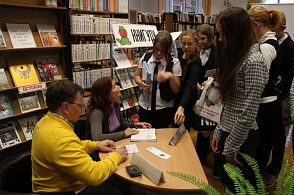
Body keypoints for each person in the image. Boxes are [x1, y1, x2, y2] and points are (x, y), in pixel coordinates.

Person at [31, 80, 128, 194]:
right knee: (121, 188)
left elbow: (73, 146)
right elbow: (94, 175)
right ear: (65, 107)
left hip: (57, 185)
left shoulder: (46, 121)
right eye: (80, 105)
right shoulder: (61, 138)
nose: (83, 109)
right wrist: (117, 156)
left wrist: (95, 144)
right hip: (68, 191)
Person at [211, 7, 268, 193]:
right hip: (231, 132)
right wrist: (220, 130)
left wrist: (231, 147)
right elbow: (231, 103)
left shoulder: (254, 61)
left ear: (237, 32)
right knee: (228, 184)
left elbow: (248, 112)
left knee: (237, 187)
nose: (220, 40)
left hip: (242, 137)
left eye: (223, 34)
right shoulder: (240, 57)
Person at [248, 6, 284, 187]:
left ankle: (255, 183)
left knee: (261, 148)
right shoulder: (265, 43)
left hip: (265, 105)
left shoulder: (267, 47)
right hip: (265, 103)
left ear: (255, 25)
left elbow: (259, 81)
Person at [260, 11, 294, 187]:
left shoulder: (290, 47)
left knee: (279, 138)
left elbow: (287, 78)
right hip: (270, 98)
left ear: (283, 28)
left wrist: (275, 94)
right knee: (267, 136)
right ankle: (264, 167)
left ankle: (274, 170)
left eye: (275, 28)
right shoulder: (270, 43)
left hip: (280, 99)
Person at [134, 31, 182, 129]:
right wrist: (140, 83)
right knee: (145, 136)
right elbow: (137, 76)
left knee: (161, 137)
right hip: (145, 106)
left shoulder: (174, 63)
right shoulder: (146, 58)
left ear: (168, 49)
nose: (159, 53)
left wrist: (171, 77)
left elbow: (176, 89)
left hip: (163, 108)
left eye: (162, 50)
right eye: (156, 49)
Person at [84, 76, 151, 143]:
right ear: (106, 94)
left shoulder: (114, 105)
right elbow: (97, 137)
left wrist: (135, 125)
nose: (118, 87)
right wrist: (124, 134)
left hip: (115, 143)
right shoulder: (96, 113)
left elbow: (121, 123)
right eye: (114, 87)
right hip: (98, 150)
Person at [173, 29, 202, 130]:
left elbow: (190, 86)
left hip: (186, 102)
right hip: (175, 98)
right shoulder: (180, 54)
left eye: (190, 44)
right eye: (183, 43)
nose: (186, 47)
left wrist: (182, 107)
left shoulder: (196, 63)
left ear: (196, 44)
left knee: (182, 131)